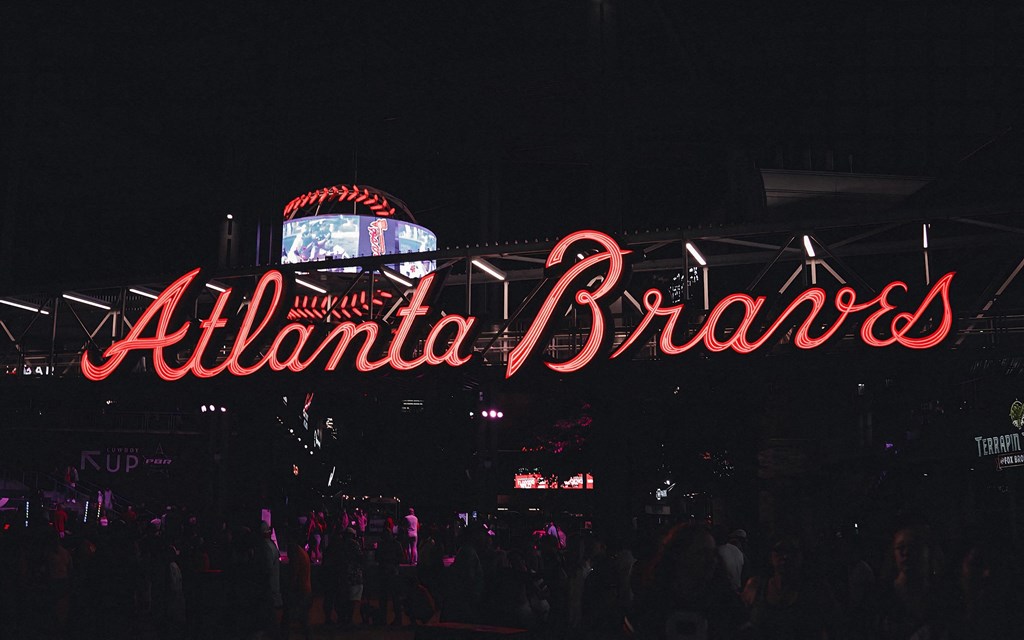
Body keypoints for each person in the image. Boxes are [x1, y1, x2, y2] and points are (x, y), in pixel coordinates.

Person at [742, 534, 839, 640]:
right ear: (770, 556)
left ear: (801, 556)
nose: (785, 557)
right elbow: (742, 623)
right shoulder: (755, 586)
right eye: (779, 551)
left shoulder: (816, 589)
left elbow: (833, 627)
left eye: (791, 551)